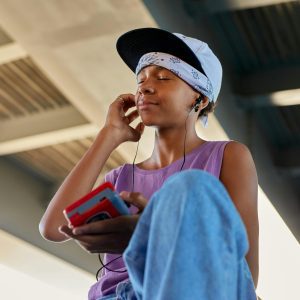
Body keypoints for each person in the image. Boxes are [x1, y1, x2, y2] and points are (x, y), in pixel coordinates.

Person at [39, 28, 259, 300]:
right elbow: (52, 229)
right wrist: (109, 136)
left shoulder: (228, 156)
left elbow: (245, 274)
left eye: (164, 77)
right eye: (140, 79)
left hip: (190, 288)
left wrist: (149, 238)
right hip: (115, 296)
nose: (145, 86)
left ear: (200, 99)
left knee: (190, 185)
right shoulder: (120, 178)